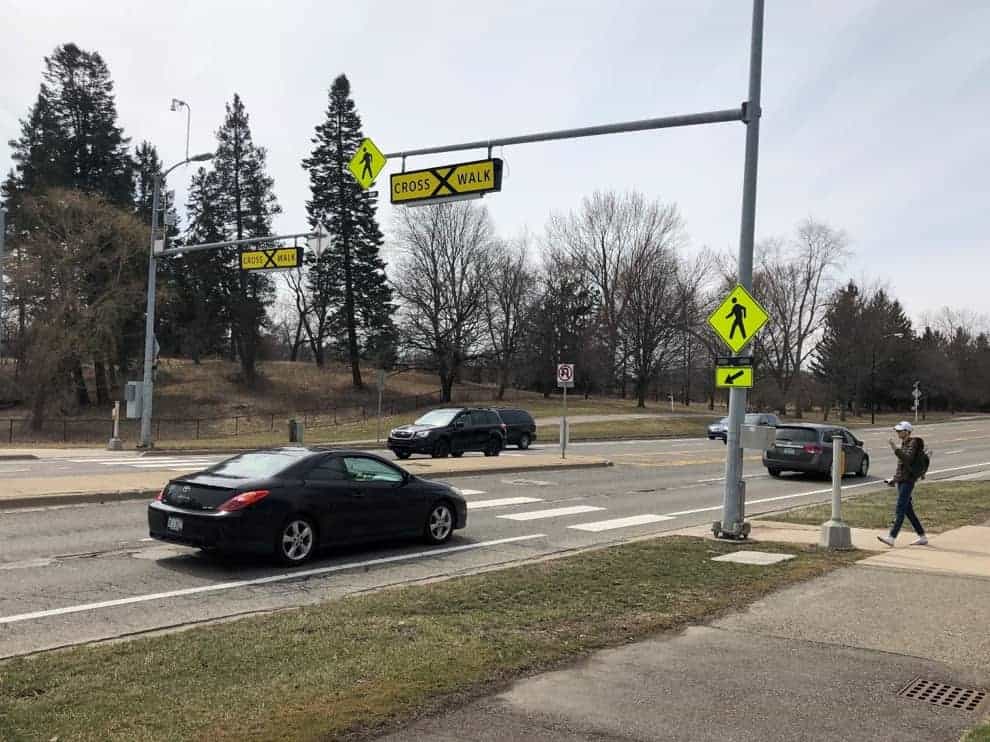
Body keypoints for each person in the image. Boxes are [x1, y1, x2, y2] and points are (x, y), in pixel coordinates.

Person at [877, 421, 927, 547]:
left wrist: (895, 448)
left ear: (907, 432)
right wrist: (893, 480)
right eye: (897, 431)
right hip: (902, 481)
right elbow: (902, 468)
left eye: (900, 431)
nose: (898, 433)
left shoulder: (913, 443)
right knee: (908, 511)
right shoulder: (905, 443)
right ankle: (922, 536)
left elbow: (908, 459)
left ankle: (892, 537)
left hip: (908, 481)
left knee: (900, 508)